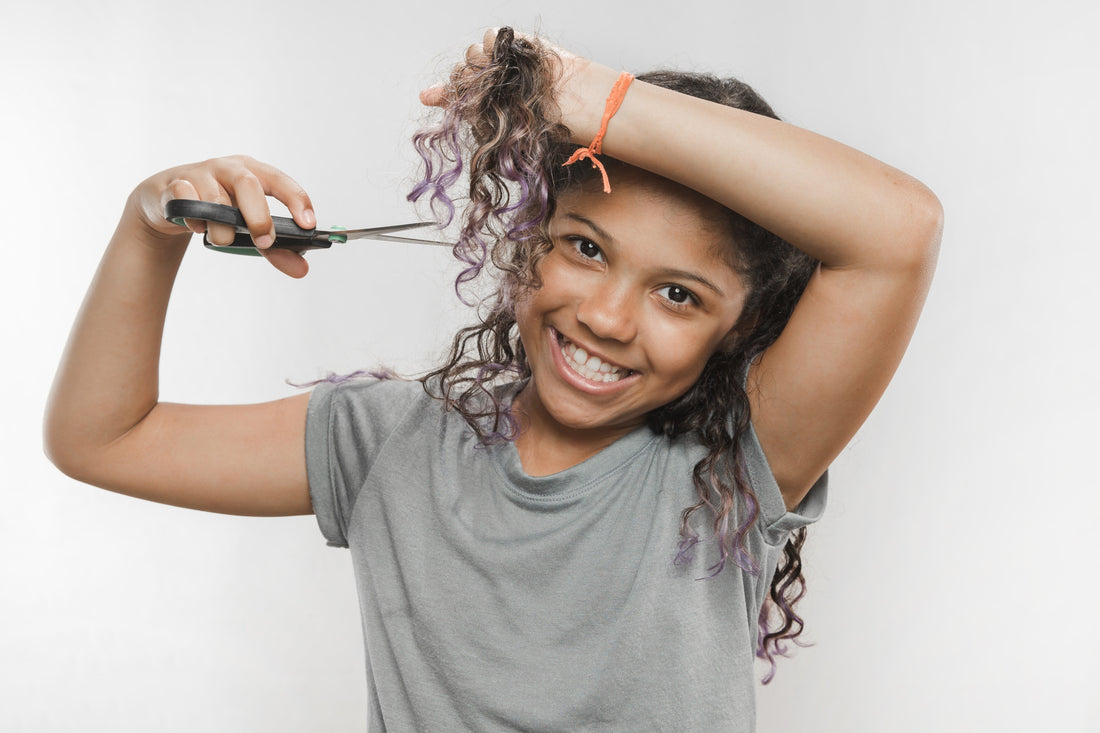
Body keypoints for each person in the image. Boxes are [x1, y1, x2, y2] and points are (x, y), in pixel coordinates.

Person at [44, 27, 941, 731]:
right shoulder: (389, 440)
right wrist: (146, 229)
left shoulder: (733, 465)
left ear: (740, 328)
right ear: (527, 243)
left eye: (677, 293)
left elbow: (898, 230)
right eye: (586, 248)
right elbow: (102, 437)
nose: (607, 317)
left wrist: (594, 98)